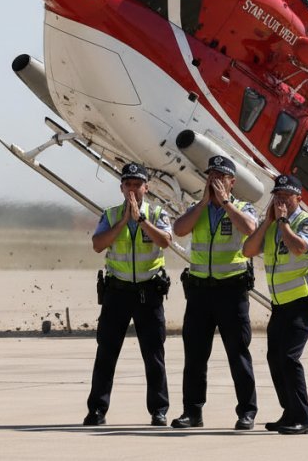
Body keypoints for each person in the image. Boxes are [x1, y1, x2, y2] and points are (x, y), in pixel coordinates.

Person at [170, 155, 259, 430]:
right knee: (195, 355)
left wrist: (226, 204)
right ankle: (192, 411)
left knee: (238, 353)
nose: (215, 181)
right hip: (199, 292)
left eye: (221, 177)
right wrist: (204, 203)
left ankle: (247, 411)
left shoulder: (244, 207)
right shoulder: (199, 208)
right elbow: (179, 229)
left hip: (231, 291)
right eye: (211, 176)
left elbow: (250, 229)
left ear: (232, 182)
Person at [84, 163, 173, 427]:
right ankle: (97, 410)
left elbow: (165, 242)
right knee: (106, 353)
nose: (133, 189)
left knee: (154, 354)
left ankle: (159, 410)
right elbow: (98, 245)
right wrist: (124, 221)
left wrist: (141, 221)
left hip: (149, 292)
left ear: (146, 187)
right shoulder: (110, 215)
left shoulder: (157, 214)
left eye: (138, 184)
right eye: (128, 184)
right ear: (122, 187)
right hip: (118, 292)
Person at [243, 174, 308, 435]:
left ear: (298, 199)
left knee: (289, 357)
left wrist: (283, 223)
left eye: (286, 197)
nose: (281, 201)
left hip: (304, 300)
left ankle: (303, 418)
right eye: (277, 196)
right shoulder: (273, 225)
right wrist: (267, 223)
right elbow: (248, 249)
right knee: (275, 358)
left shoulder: (306, 222)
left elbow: (300, 248)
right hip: (280, 303)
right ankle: (289, 411)